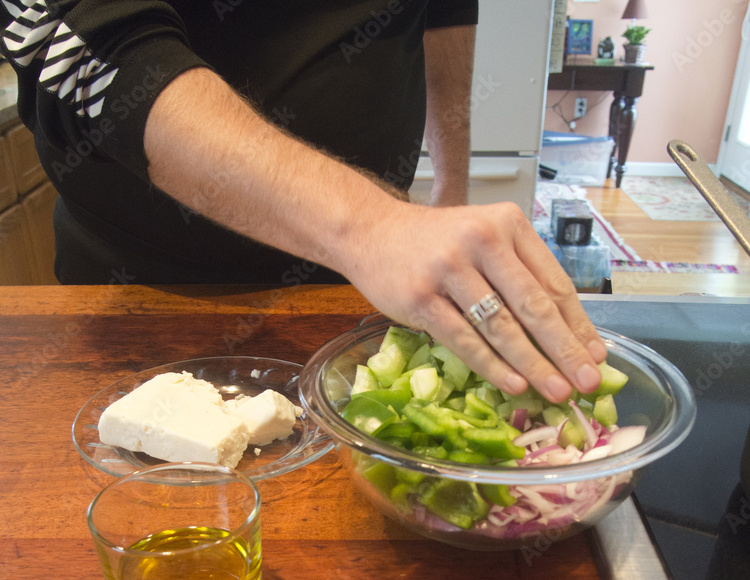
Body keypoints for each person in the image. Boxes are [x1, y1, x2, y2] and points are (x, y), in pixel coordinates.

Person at [0, 2, 605, 401]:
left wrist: (450, 191)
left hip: (364, 295)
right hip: (143, 299)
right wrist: (371, 226)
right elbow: (88, 48)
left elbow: (445, 11)